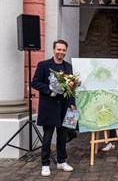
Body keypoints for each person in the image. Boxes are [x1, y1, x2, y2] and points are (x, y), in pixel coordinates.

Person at [32, 40, 74, 176]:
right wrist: (49, 89)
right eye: (59, 49)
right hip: (49, 107)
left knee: (62, 136)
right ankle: (45, 164)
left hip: (64, 107)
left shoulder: (68, 67)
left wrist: (72, 103)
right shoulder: (43, 65)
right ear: (53, 49)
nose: (61, 52)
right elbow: (35, 83)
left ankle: (62, 161)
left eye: (63, 50)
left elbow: (72, 87)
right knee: (47, 137)